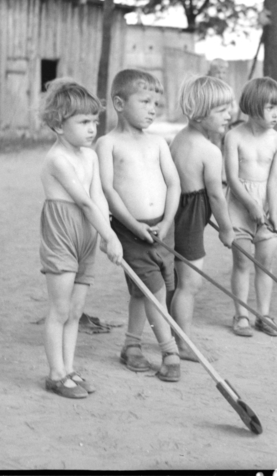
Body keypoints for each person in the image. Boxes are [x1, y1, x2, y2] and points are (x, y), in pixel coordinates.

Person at [38, 78, 124, 399]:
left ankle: (69, 368)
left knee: (76, 311)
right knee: (60, 309)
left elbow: (98, 196)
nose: (92, 129)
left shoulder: (90, 156)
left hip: (87, 233)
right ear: (59, 125)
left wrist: (105, 232)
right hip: (62, 232)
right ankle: (55, 374)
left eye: (94, 121)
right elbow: (84, 203)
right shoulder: (57, 160)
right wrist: (110, 236)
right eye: (83, 122)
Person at [96, 69, 183, 383]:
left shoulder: (158, 142)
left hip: (162, 230)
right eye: (144, 101)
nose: (152, 109)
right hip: (130, 232)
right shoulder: (108, 143)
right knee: (153, 291)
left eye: (155, 103)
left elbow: (173, 184)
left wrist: (167, 221)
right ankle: (170, 352)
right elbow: (108, 189)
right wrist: (133, 226)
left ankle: (131, 345)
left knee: (143, 290)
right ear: (119, 104)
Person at [168, 76, 237, 361]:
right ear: (199, 113)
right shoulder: (210, 151)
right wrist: (226, 229)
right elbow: (217, 196)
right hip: (190, 218)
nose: (229, 115)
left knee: (176, 280)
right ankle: (182, 344)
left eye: (229, 108)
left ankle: (173, 336)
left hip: (176, 211)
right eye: (221, 110)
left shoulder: (179, 138)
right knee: (190, 284)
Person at [225, 77, 277, 337]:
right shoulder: (233, 136)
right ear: (252, 106)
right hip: (240, 206)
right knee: (242, 262)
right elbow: (231, 177)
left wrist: (271, 209)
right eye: (270, 107)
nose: (276, 114)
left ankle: (263, 315)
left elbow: (275, 179)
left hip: (267, 206)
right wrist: (251, 204)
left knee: (265, 263)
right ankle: (241, 314)